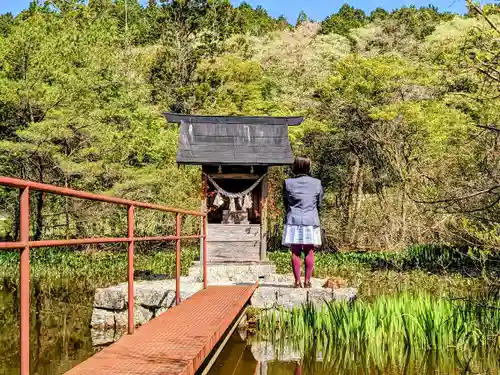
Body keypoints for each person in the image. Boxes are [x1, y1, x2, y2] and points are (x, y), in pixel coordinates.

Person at [282, 156, 323, 288]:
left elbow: (285, 202)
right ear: (308, 167)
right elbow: (319, 203)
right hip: (311, 220)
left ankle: (297, 282)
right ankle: (307, 281)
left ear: (295, 167)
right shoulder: (317, 183)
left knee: (295, 251)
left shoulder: (288, 183)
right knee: (309, 251)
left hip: (294, 219)